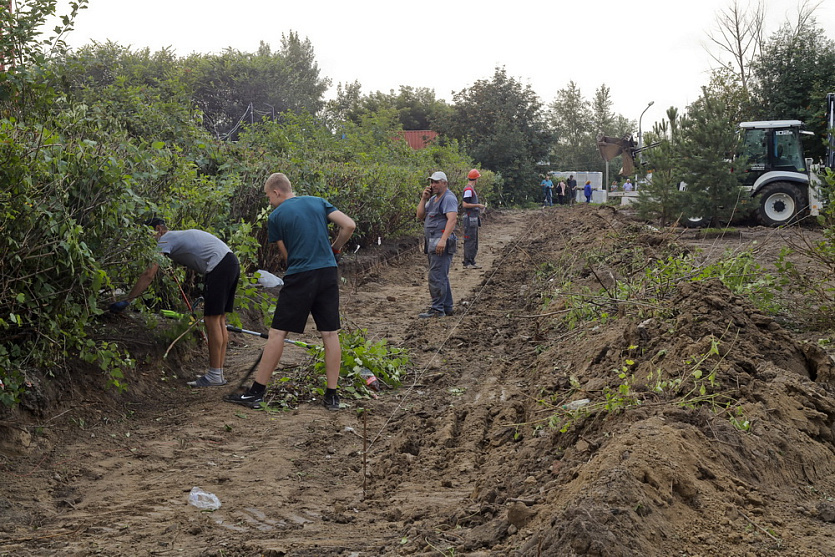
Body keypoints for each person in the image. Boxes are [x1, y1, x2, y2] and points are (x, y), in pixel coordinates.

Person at [225, 173, 356, 411]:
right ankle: (332, 396)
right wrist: (334, 249)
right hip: (328, 271)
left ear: (276, 192)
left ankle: (256, 393)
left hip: (301, 275)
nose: (269, 202)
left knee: (277, 333)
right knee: (329, 333)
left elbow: (287, 256)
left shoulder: (276, 216)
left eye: (269, 197)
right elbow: (349, 225)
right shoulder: (318, 201)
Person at [110, 218, 240, 388]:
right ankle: (217, 373)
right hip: (230, 262)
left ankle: (215, 375)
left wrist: (127, 300)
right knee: (219, 320)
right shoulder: (175, 238)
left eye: (148, 235)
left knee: (211, 320)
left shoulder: (165, 239)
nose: (148, 242)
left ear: (158, 229)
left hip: (220, 266)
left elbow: (149, 274)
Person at [417, 171, 458, 318]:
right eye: (431, 182)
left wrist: (443, 239)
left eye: (436, 182)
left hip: (441, 243)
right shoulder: (433, 199)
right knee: (441, 275)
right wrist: (423, 199)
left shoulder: (448, 198)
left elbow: (452, 220)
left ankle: (437, 310)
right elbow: (420, 215)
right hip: (433, 242)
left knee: (436, 276)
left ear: (445, 183)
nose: (433, 185)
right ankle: (447, 307)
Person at [462, 169, 486, 269]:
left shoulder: (470, 189)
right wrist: (478, 205)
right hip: (470, 218)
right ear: (476, 179)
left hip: (473, 218)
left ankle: (471, 261)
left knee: (474, 240)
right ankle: (467, 262)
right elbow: (465, 204)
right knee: (470, 240)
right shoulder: (468, 190)